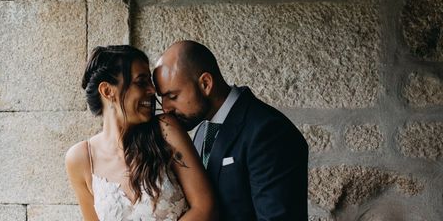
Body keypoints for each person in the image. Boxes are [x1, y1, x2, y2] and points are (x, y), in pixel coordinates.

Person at [153, 40, 308, 221]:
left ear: (205, 84)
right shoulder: (203, 130)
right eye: (162, 98)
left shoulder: (268, 132)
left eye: (173, 96)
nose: (166, 108)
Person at [66, 45, 217, 221]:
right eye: (141, 81)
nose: (152, 90)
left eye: (150, 82)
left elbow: (205, 207)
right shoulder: (80, 159)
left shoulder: (166, 129)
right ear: (107, 91)